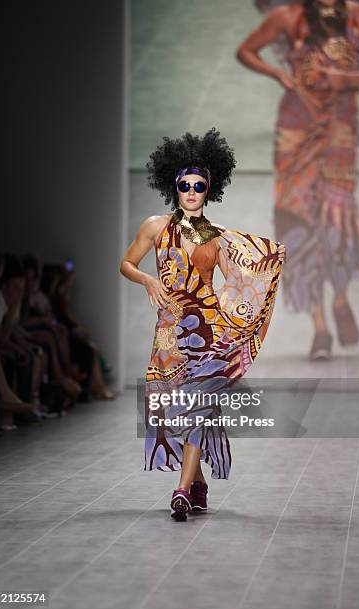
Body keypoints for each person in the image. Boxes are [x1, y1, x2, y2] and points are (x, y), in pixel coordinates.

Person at [120, 128, 285, 521]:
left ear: (209, 189)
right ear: (173, 186)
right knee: (168, 411)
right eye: (185, 184)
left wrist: (239, 316)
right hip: (169, 335)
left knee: (200, 408)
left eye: (199, 185)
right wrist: (147, 279)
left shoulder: (218, 240)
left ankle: (180, 491)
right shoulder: (155, 227)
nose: (191, 191)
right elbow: (126, 263)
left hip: (208, 337)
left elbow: (241, 279)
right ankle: (198, 482)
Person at [237, 0, 359, 359]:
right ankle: (319, 327)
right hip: (294, 130)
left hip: (339, 131)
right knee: (297, 220)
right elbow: (246, 50)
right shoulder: (288, 16)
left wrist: (348, 79)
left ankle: (339, 298)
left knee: (340, 218)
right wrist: (277, 74)